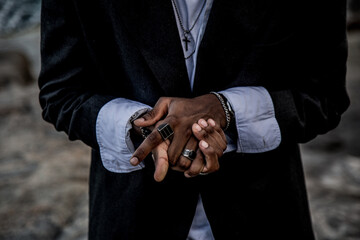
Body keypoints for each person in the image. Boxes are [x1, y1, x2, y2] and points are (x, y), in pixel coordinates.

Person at [38, 0, 350, 239]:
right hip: (132, 216)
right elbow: (62, 90)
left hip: (264, 212)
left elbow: (323, 95)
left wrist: (226, 109)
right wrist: (146, 130)